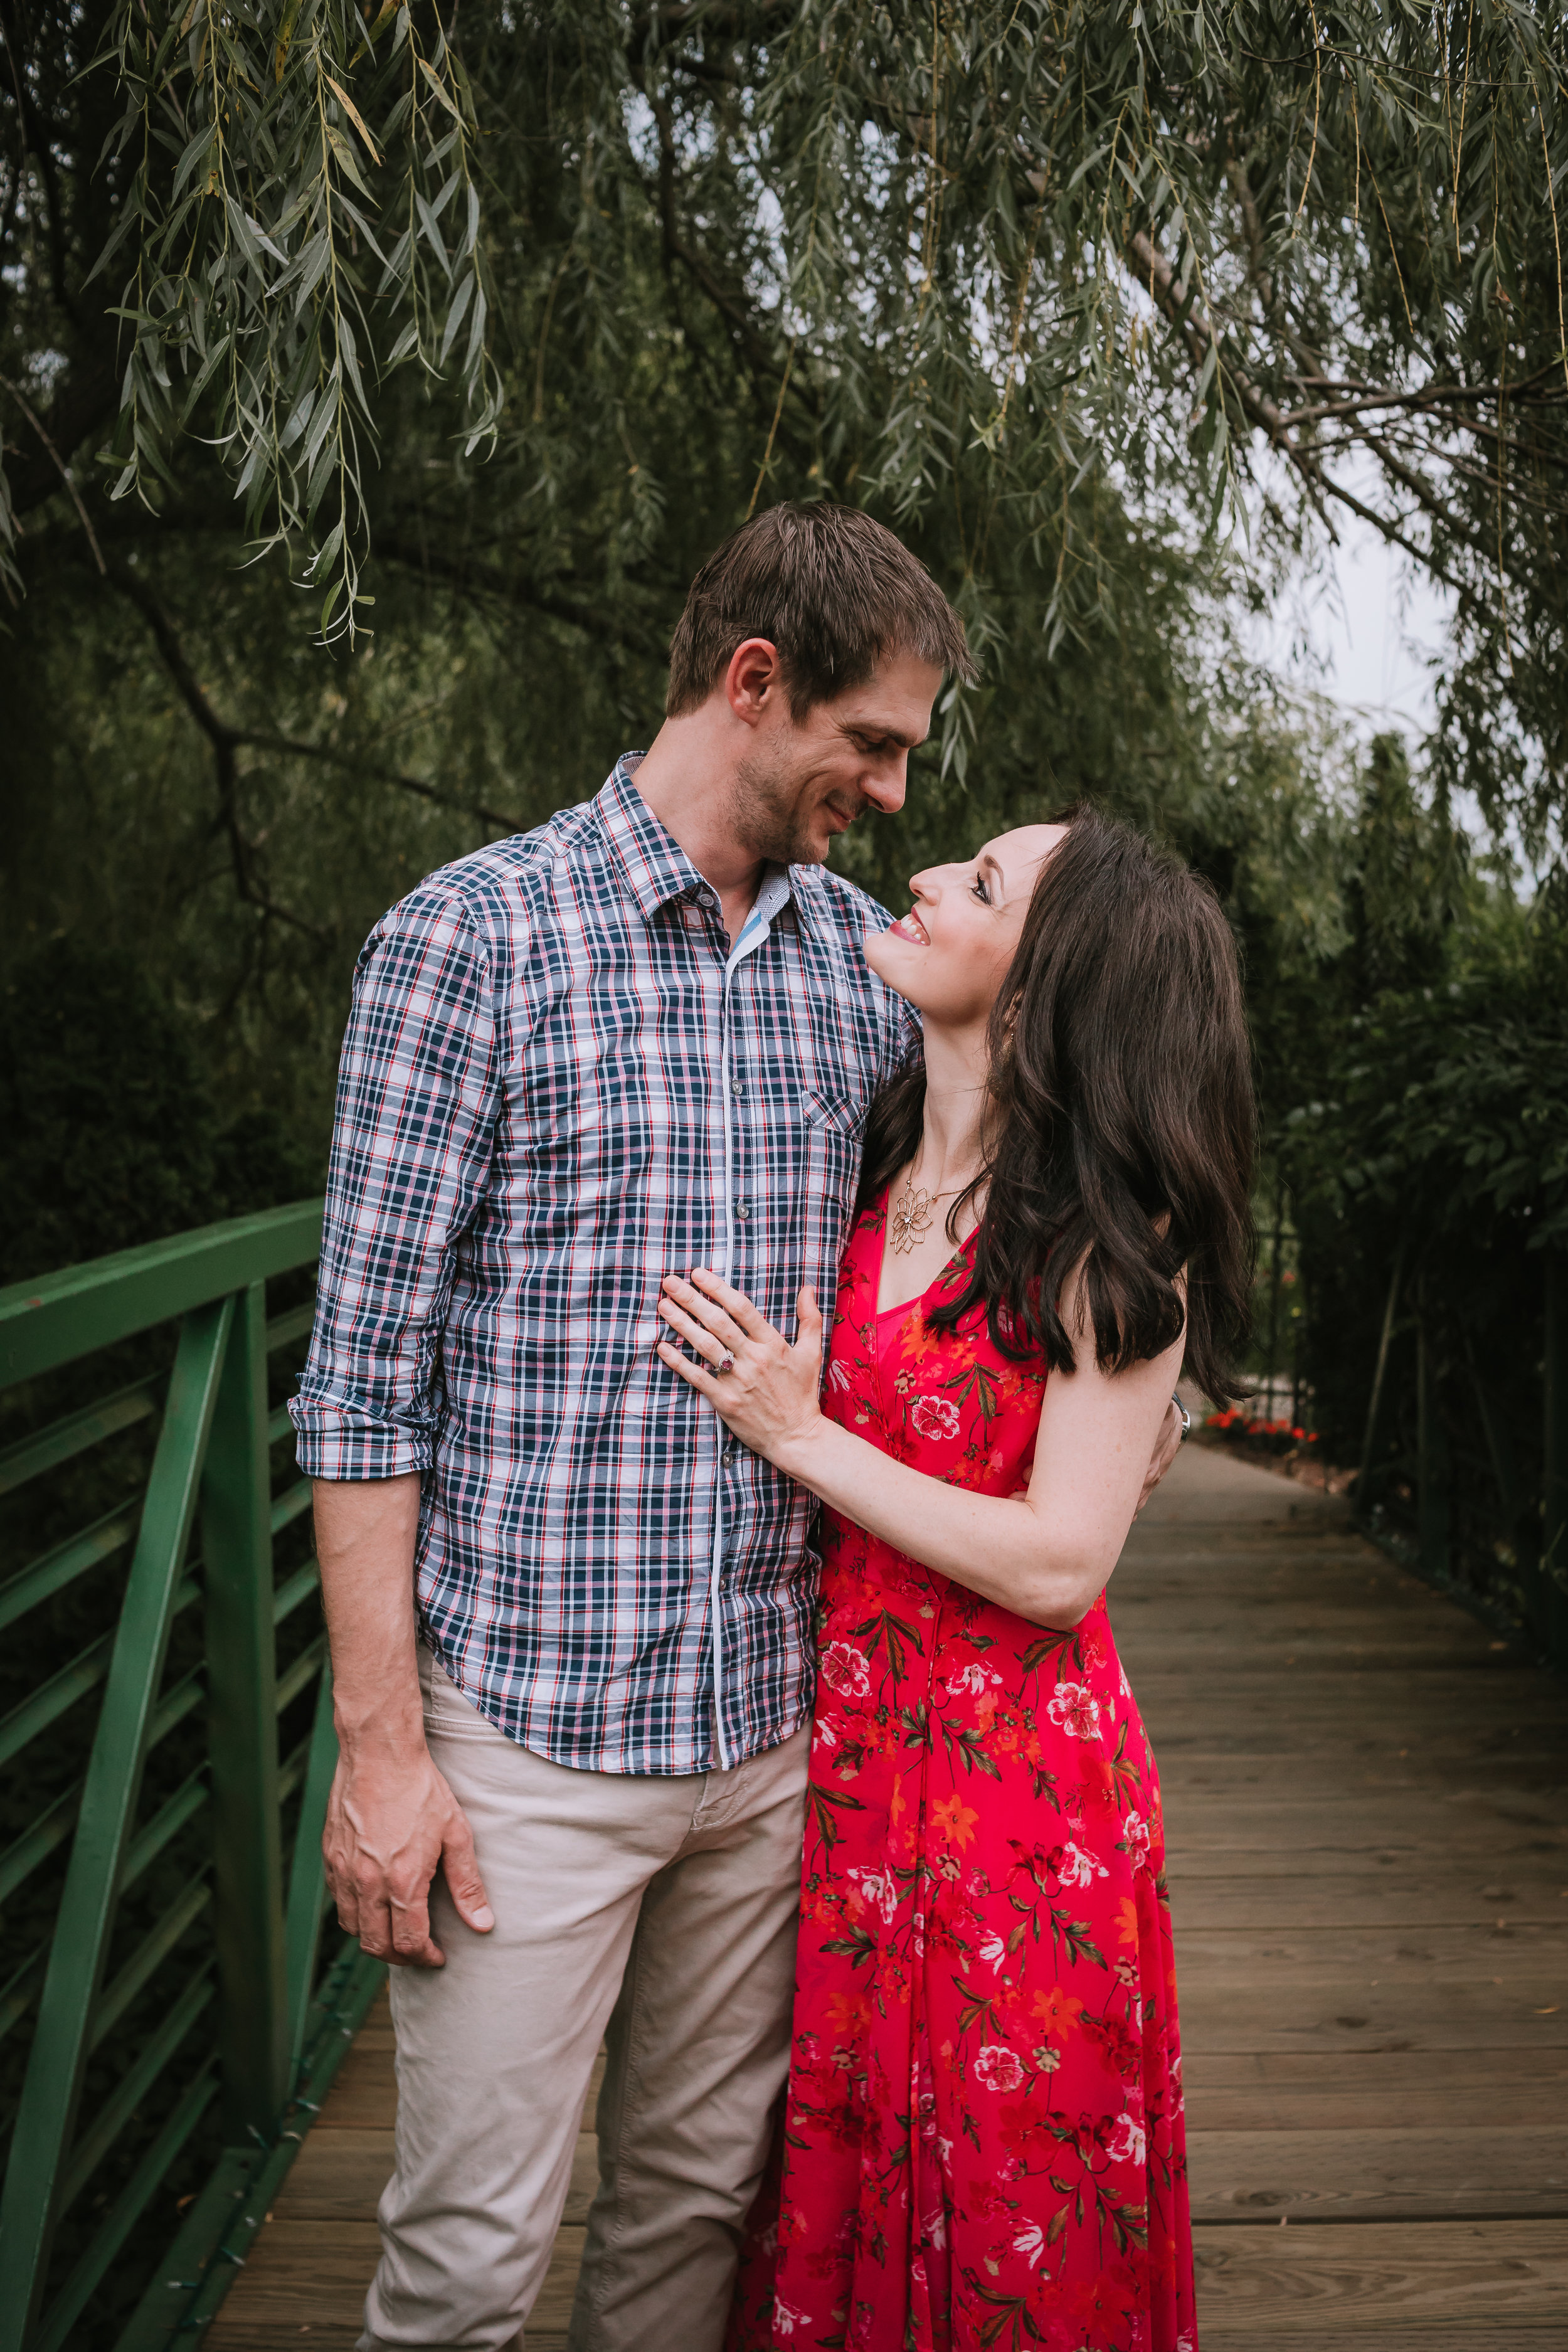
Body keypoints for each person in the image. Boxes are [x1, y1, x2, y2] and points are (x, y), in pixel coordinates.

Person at [292, 502, 1184, 2352]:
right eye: (871, 744)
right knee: (463, 2257)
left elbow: (1038, 1151)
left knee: (693, 2232)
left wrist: (1124, 1387)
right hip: (531, 1735)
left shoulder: (858, 976)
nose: (889, 790)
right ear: (753, 681)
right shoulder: (465, 943)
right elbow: (362, 1380)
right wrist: (384, 1751)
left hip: (787, 1745)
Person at [655, 806, 1254, 2352]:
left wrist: (797, 1436)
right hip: (852, 1776)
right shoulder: (863, 1168)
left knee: (1009, 2209)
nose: (917, 874)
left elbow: (1061, 1563)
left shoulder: (1112, 1233)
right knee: (848, 2183)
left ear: (1050, 978)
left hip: (1019, 1806)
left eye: (979, 882)